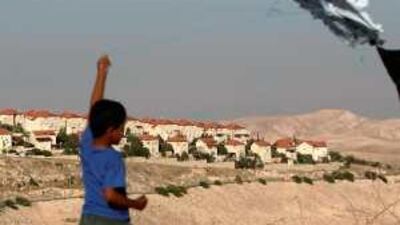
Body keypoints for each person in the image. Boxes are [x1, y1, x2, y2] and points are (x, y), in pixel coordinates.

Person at [79, 55, 148, 225]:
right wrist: (135, 204)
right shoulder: (112, 158)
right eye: (121, 128)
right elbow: (110, 196)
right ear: (110, 131)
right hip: (112, 220)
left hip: (88, 217)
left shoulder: (87, 143)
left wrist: (101, 73)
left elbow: (95, 108)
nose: (123, 133)